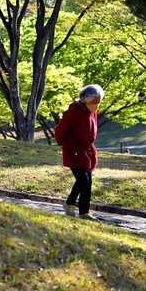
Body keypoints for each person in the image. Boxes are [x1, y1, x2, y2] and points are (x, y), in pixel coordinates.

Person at [54, 84, 104, 220]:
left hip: (87, 152)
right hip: (74, 150)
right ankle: (71, 204)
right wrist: (63, 144)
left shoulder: (92, 112)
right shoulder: (74, 112)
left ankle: (82, 211)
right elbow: (60, 131)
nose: (97, 105)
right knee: (83, 181)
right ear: (86, 100)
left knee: (86, 181)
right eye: (95, 102)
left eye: (99, 102)